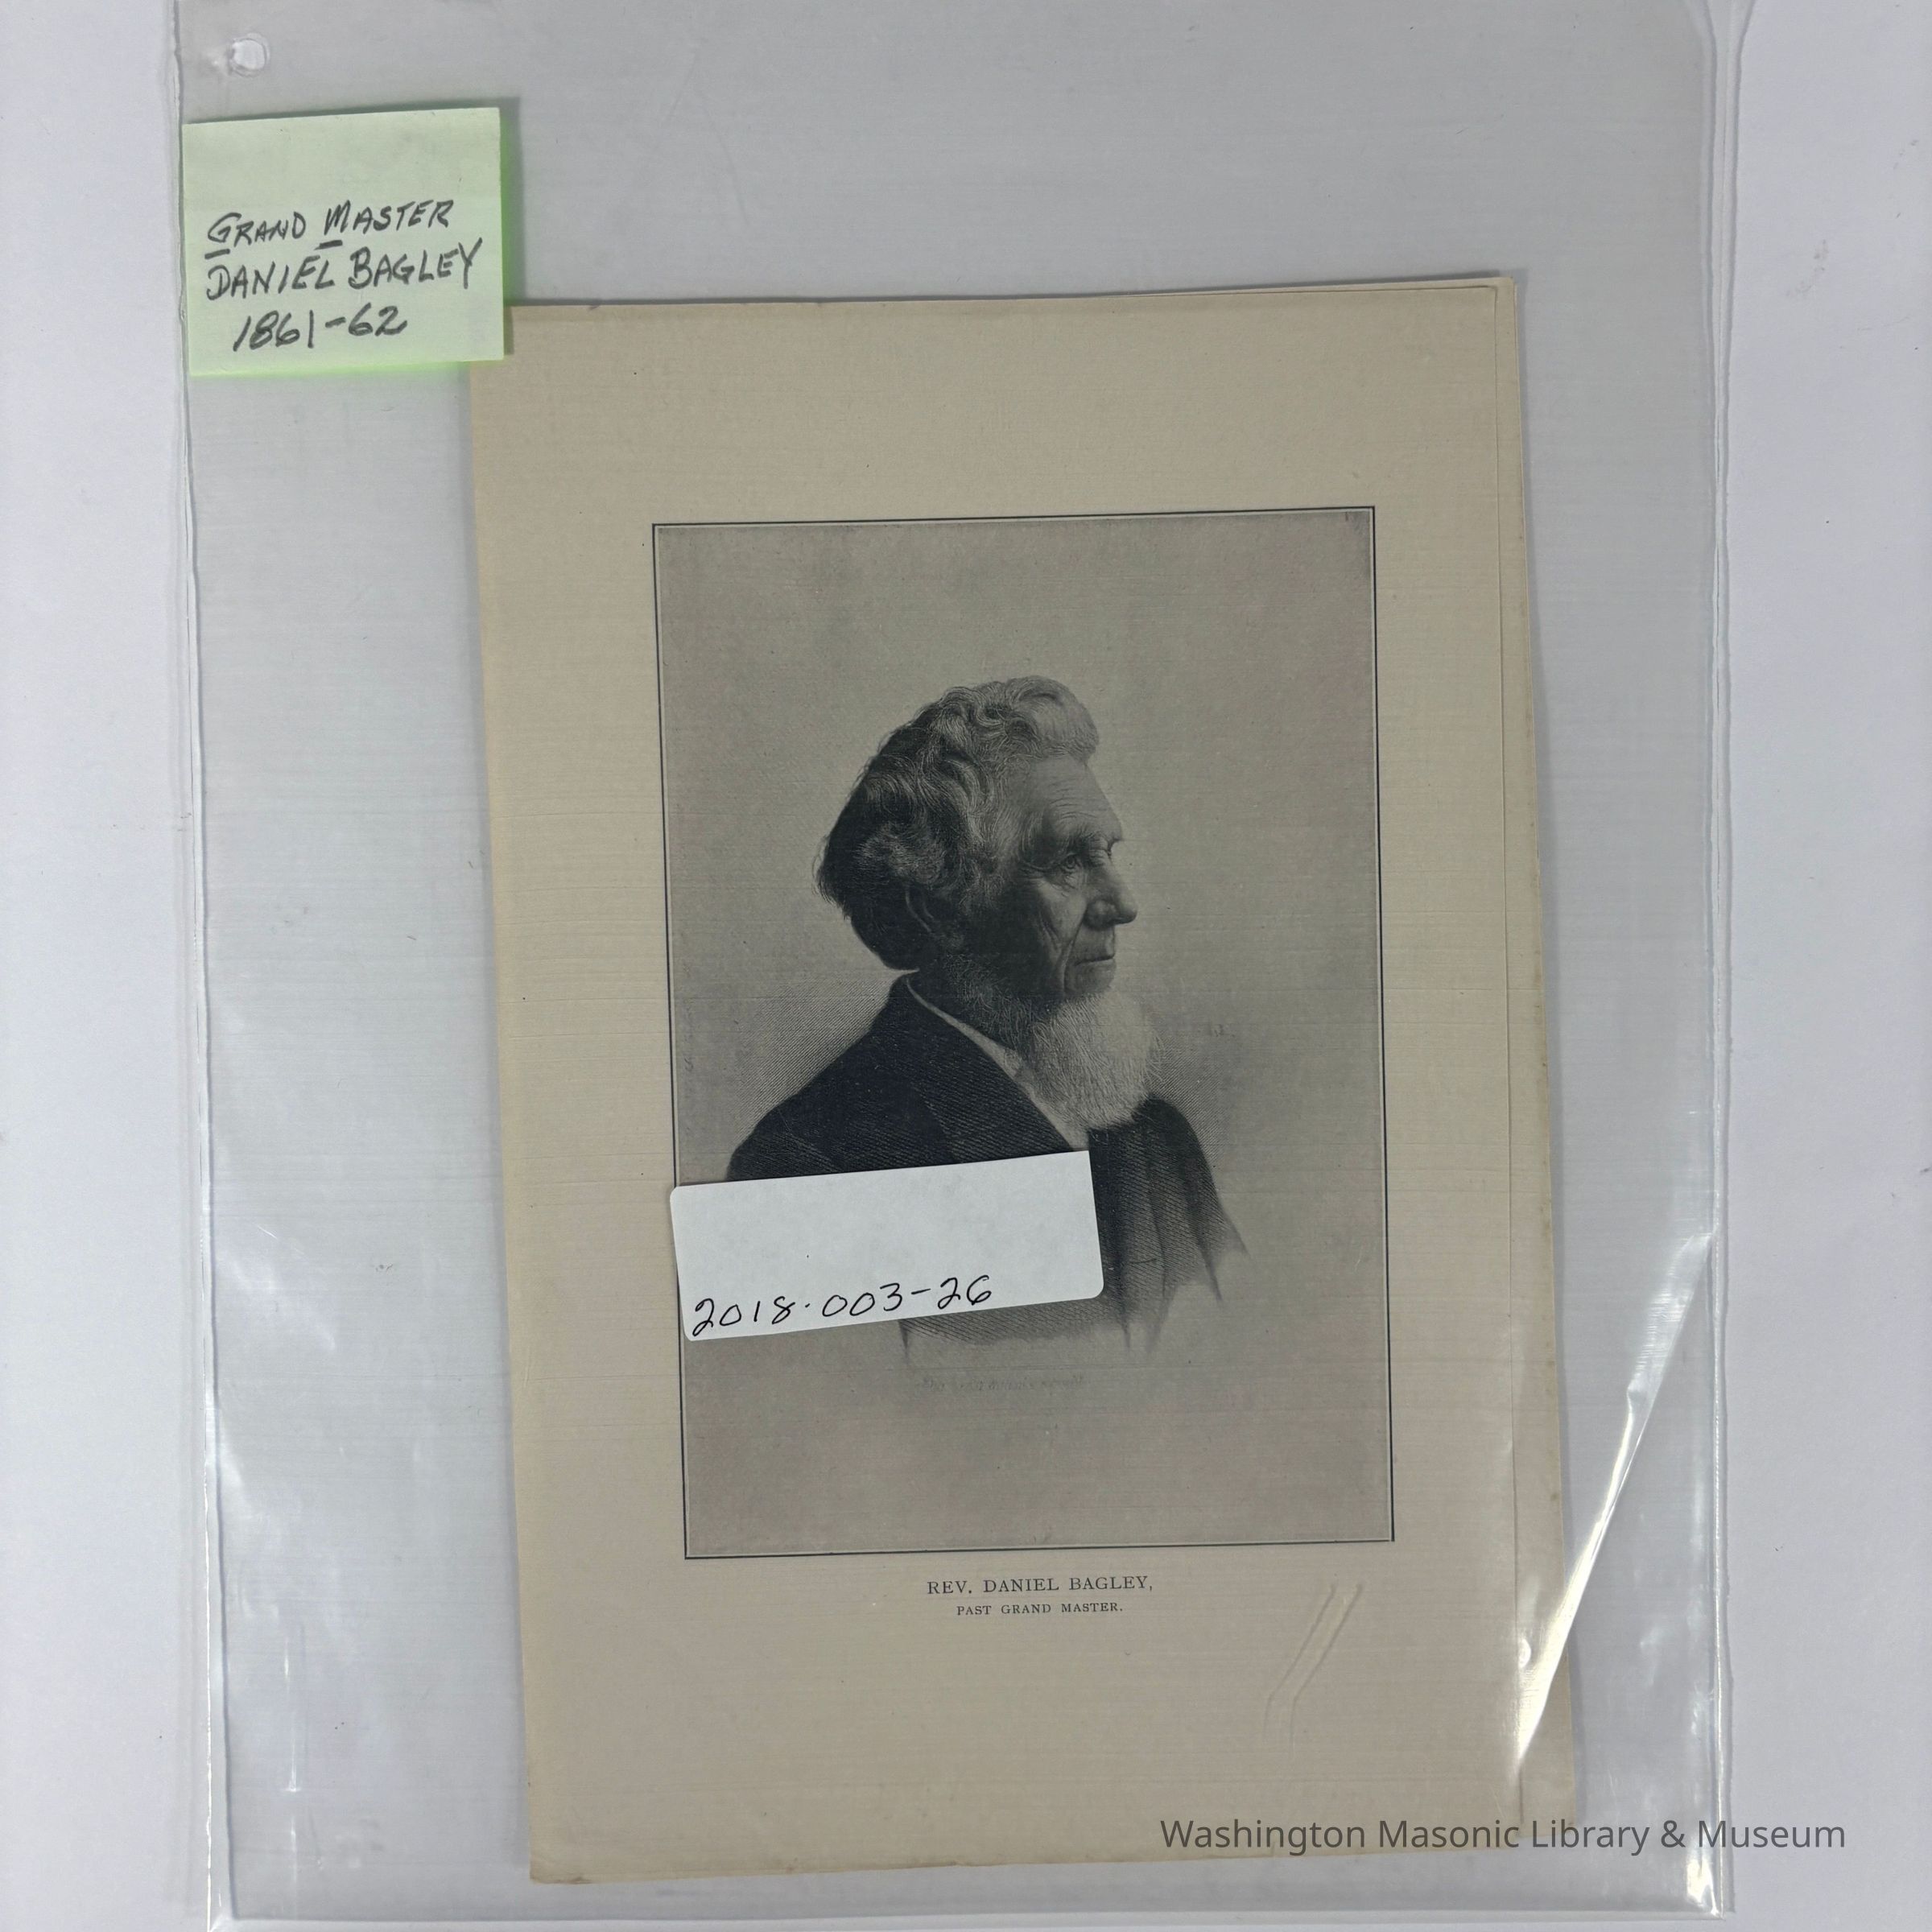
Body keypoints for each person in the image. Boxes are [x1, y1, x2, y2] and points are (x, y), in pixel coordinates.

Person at [729, 675, 1241, 1348]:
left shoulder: (1158, 1141)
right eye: (1069, 862)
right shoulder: (803, 1165)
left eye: (1108, 854)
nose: (1122, 902)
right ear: (939, 907)